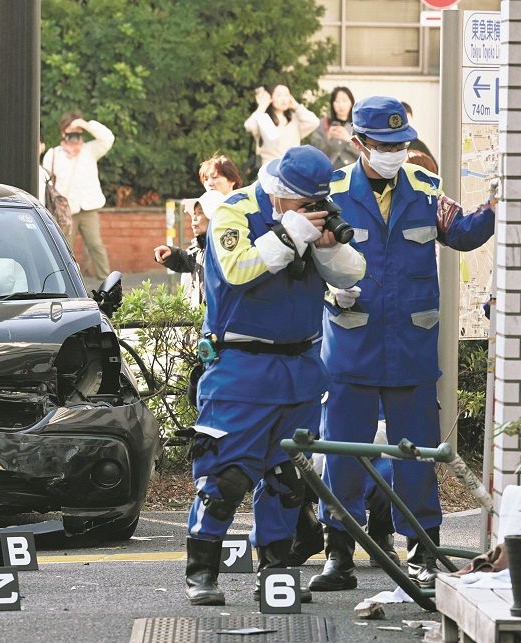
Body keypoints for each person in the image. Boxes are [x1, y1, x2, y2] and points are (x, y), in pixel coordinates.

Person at [309, 96, 496, 592]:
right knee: (343, 454)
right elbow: (305, 263)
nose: (394, 151)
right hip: (351, 347)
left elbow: (466, 234)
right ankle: (339, 556)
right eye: (383, 144)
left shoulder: (426, 190)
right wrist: (330, 289)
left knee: (417, 457)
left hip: (411, 348)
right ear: (358, 143)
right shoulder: (329, 196)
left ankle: (424, 553)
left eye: (401, 143)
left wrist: (498, 206)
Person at [184, 146, 365, 606]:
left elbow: (351, 275)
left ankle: (277, 569)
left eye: (318, 204)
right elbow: (238, 269)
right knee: (224, 475)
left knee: (288, 478)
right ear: (281, 196)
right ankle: (202, 571)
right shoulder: (235, 211)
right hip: (241, 366)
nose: (314, 212)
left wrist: (328, 247)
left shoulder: (312, 216)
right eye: (306, 204)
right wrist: (289, 235)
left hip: (301, 366)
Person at [41, 112, 116, 282]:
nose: (74, 136)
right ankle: (64, 285)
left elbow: (108, 138)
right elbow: (46, 183)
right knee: (64, 249)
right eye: (70, 131)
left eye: (77, 132)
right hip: (65, 211)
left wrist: (85, 124)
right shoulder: (53, 154)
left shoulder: (90, 150)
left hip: (88, 208)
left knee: (96, 246)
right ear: (62, 132)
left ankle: (108, 285)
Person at [154, 189, 224, 307]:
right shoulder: (200, 248)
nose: (194, 218)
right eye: (194, 214)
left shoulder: (224, 250)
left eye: (200, 213)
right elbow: (187, 261)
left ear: (215, 216)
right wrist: (171, 253)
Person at [244, 84, 320, 168]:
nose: (284, 99)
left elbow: (314, 122)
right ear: (270, 98)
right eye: (279, 95)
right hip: (270, 170)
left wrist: (296, 106)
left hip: (292, 169)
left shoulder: (295, 119)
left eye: (287, 95)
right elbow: (249, 126)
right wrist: (262, 106)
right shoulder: (264, 119)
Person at [310, 86, 359, 169]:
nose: (341, 105)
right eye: (337, 101)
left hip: (352, 171)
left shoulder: (359, 125)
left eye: (344, 101)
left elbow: (366, 154)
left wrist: (349, 139)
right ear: (332, 103)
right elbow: (314, 154)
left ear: (351, 102)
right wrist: (327, 138)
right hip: (328, 172)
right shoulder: (323, 124)